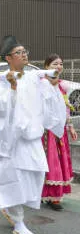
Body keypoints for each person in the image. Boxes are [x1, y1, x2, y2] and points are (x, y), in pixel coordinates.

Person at [0, 36, 66, 234]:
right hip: (12, 139)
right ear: (8, 58)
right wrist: (12, 89)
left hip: (31, 138)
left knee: (35, 175)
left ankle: (12, 208)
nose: (24, 55)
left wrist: (51, 82)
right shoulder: (0, 79)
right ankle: (18, 221)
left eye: (25, 51)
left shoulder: (32, 77)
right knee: (15, 178)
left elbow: (46, 98)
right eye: (19, 52)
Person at [41, 53, 78, 210]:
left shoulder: (62, 86)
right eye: (55, 64)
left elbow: (65, 109)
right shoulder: (42, 84)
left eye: (61, 64)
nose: (59, 66)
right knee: (48, 162)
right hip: (46, 131)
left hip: (60, 131)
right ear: (46, 67)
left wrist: (70, 127)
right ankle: (44, 193)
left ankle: (54, 196)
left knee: (58, 162)